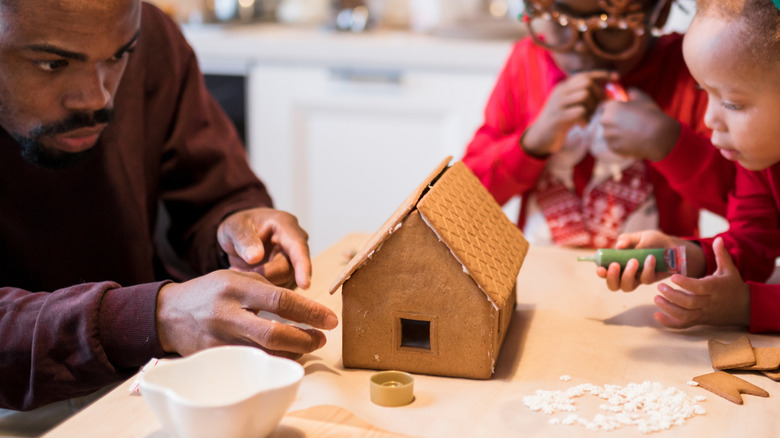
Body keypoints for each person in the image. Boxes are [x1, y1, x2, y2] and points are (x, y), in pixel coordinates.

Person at [0, 0, 338, 425]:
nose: (98, 97)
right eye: (52, 63)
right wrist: (151, 318)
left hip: (144, 382)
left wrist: (235, 229)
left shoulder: (153, 37)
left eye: (119, 56)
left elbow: (212, 190)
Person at [462, 0, 735, 249]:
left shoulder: (689, 69)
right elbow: (466, 198)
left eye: (609, 27)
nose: (580, 46)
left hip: (655, 291)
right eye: (560, 22)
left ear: (659, 12)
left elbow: (748, 204)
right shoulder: (526, 62)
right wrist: (531, 143)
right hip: (540, 282)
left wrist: (667, 143)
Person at [596, 0, 780, 332]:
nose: (710, 120)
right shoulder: (761, 160)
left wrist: (748, 307)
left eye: (731, 103)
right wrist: (680, 255)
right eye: (703, 92)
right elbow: (752, 245)